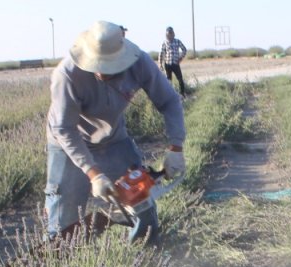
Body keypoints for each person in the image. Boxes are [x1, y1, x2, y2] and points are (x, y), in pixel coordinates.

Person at [45, 21, 186, 244]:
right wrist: (93, 173)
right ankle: (57, 264)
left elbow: (169, 100)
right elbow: (64, 128)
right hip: (69, 142)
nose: (103, 72)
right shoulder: (67, 75)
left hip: (112, 139)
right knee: (65, 216)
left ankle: (147, 258)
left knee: (141, 200)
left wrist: (176, 147)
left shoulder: (139, 62)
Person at [159, 26, 188, 96]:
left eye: (171, 33)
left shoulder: (177, 41)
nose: (169, 35)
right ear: (166, 34)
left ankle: (182, 94)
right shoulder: (164, 43)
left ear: (173, 34)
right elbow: (161, 53)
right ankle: (169, 95)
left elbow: (184, 49)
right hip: (167, 64)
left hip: (175, 64)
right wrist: (160, 63)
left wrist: (181, 58)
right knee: (168, 81)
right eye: (168, 34)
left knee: (180, 79)